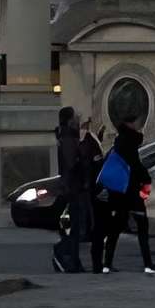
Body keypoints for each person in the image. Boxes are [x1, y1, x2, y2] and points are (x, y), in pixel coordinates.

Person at [94, 111, 155, 274]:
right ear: (131, 124)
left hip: (118, 192)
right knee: (142, 227)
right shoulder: (130, 142)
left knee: (116, 228)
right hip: (131, 191)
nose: (139, 125)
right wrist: (147, 179)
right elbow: (135, 165)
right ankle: (148, 264)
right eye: (136, 122)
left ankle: (107, 264)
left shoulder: (119, 142)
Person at [50, 108, 94, 275]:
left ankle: (73, 260)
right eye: (75, 117)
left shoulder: (69, 136)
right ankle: (64, 252)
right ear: (69, 120)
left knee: (78, 227)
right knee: (77, 227)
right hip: (74, 188)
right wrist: (82, 145)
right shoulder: (68, 138)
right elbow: (72, 162)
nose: (78, 119)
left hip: (74, 186)